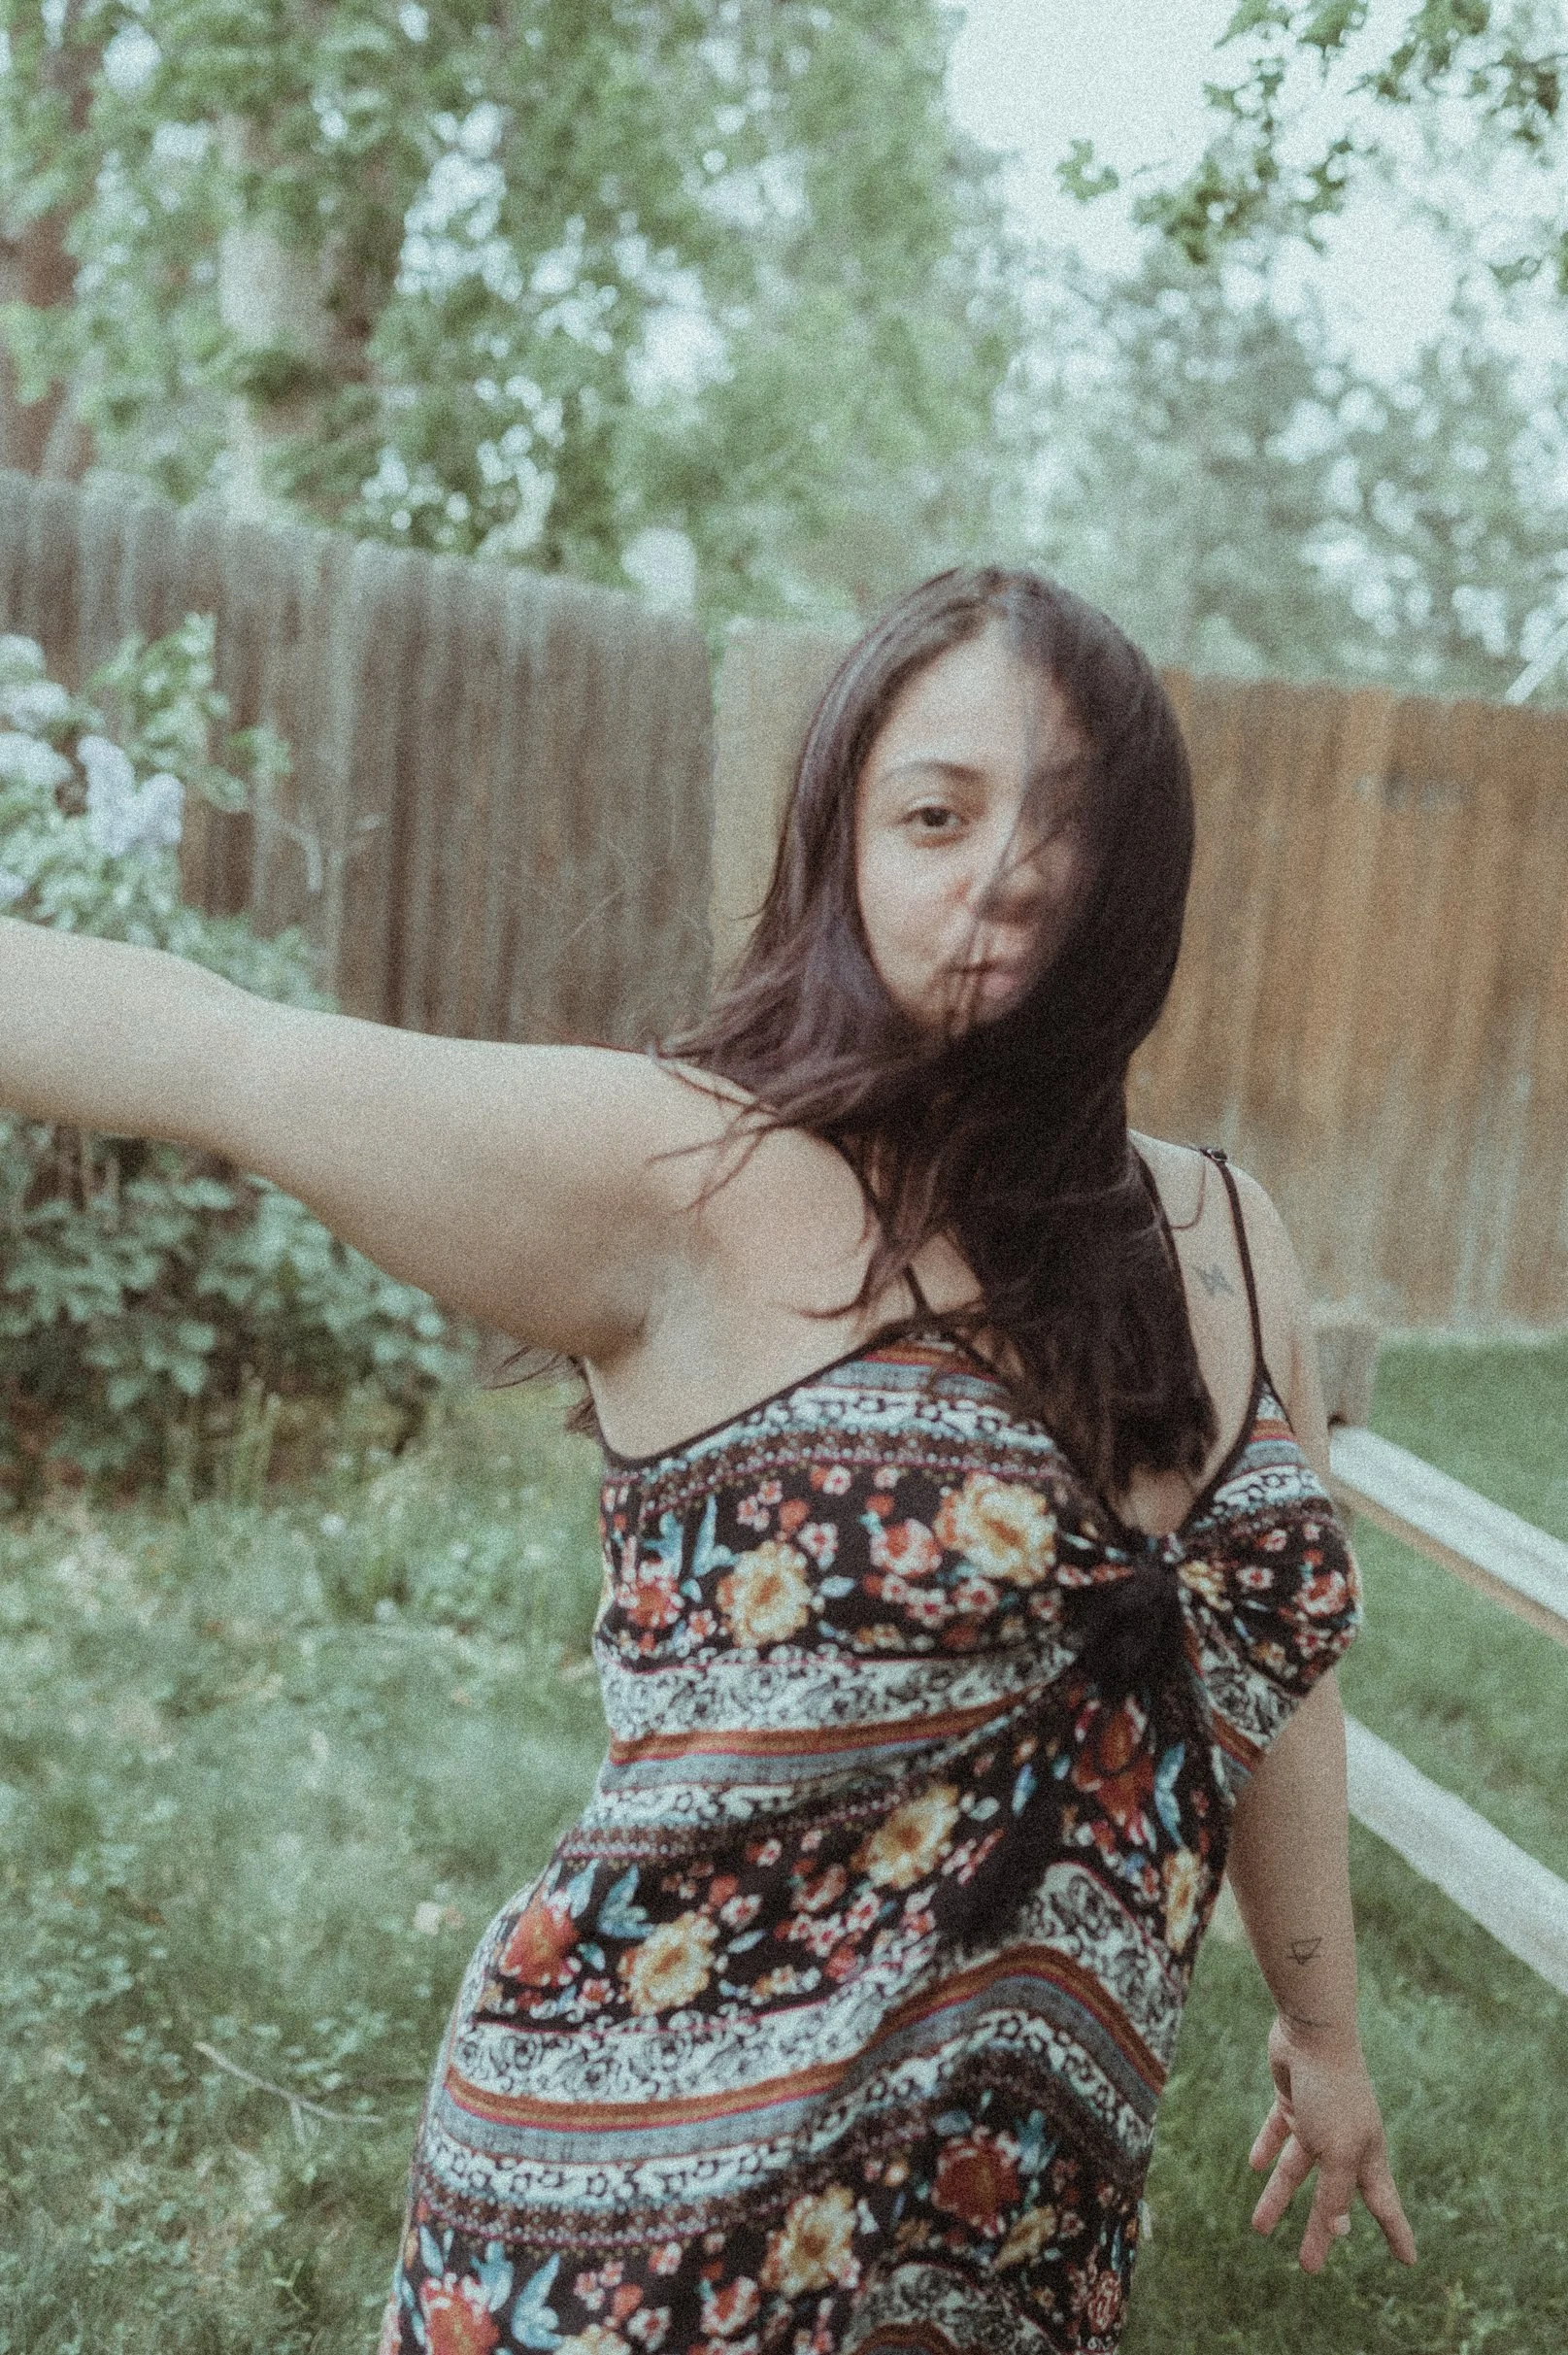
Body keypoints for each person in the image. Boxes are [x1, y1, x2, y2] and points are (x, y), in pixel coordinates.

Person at [0, 566, 1415, 2355]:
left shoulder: (1223, 1235)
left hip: (1009, 2221)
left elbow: (1277, 1682)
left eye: (1066, 823)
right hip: (641, 2221)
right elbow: (204, 1049)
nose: (1001, 877)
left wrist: (1323, 2032)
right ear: (838, 839)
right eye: (934, 814)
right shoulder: (687, 1182)